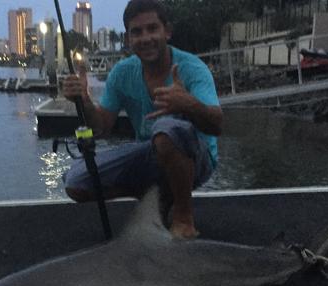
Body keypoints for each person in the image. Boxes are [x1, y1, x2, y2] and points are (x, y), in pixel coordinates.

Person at [62, 0, 223, 239]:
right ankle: (157, 196)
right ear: (128, 39)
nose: (145, 38)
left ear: (167, 31)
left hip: (197, 159)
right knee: (76, 181)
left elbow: (217, 125)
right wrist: (84, 101)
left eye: (152, 28)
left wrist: (188, 104)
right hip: (150, 152)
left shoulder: (193, 69)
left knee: (168, 130)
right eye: (136, 32)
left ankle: (183, 217)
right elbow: (101, 127)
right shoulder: (122, 73)